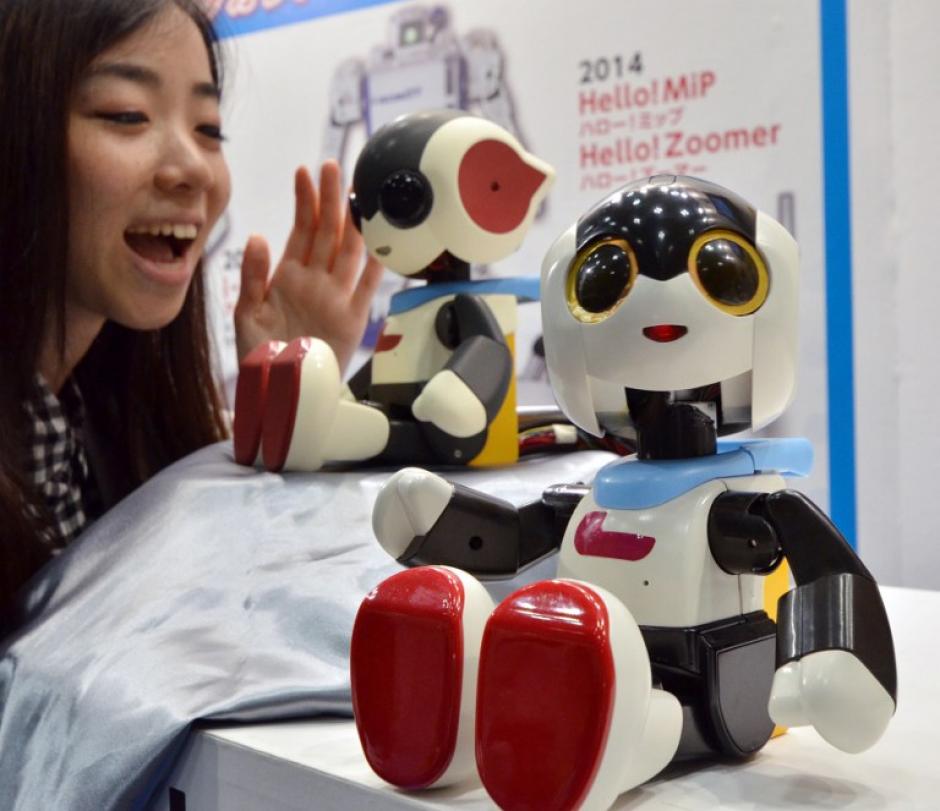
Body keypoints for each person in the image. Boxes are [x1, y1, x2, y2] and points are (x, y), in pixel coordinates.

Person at [0, 0, 383, 625]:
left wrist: (287, 417)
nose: (195, 170)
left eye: (208, 129)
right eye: (126, 115)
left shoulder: (106, 423)